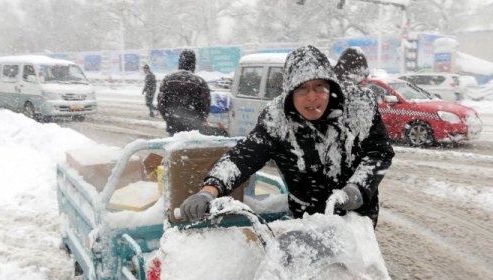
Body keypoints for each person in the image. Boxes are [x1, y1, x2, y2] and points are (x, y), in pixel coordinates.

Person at [180, 45, 394, 227]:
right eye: (302, 89)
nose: (312, 97)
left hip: (356, 219)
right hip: (307, 220)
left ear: (331, 85)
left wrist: (358, 188)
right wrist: (209, 190)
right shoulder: (277, 120)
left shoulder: (359, 108)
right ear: (290, 93)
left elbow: (379, 152)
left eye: (319, 86)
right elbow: (242, 157)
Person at [157, 49, 211, 136]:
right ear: (193, 64)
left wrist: (169, 119)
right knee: (191, 149)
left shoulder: (167, 80)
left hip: (173, 127)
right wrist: (198, 121)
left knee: (175, 148)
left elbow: (161, 104)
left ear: (180, 62)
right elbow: (205, 106)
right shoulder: (199, 82)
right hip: (194, 129)